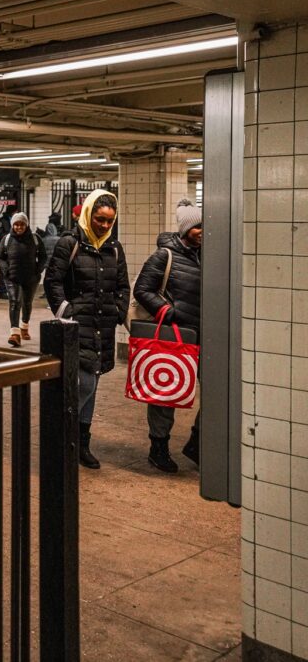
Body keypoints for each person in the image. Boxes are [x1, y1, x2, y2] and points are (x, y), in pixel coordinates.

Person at [43, 189, 129, 470]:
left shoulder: (114, 248)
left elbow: (123, 286)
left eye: (109, 221)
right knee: (85, 383)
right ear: (89, 214)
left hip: (102, 326)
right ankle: (59, 439)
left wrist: (119, 310)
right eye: (99, 219)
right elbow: (53, 281)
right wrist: (65, 310)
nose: (104, 226)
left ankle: (81, 443)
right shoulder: (70, 243)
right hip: (75, 326)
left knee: (93, 381)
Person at [133, 198, 203, 473]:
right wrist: (169, 311)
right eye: (199, 227)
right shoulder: (165, 255)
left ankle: (197, 444)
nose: (203, 231)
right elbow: (142, 290)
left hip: (205, 334)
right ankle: (158, 448)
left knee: (217, 391)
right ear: (186, 229)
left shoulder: (208, 253)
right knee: (165, 391)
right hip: (176, 333)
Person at [0, 212, 46, 348]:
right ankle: (15, 333)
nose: (19, 227)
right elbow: (0, 257)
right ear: (12, 225)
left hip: (31, 277)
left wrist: (38, 270)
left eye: (22, 224)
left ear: (26, 225)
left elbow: (43, 256)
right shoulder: (6, 239)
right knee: (15, 301)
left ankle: (24, 326)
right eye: (16, 224)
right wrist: (6, 270)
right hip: (12, 277)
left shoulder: (35, 239)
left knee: (27, 302)